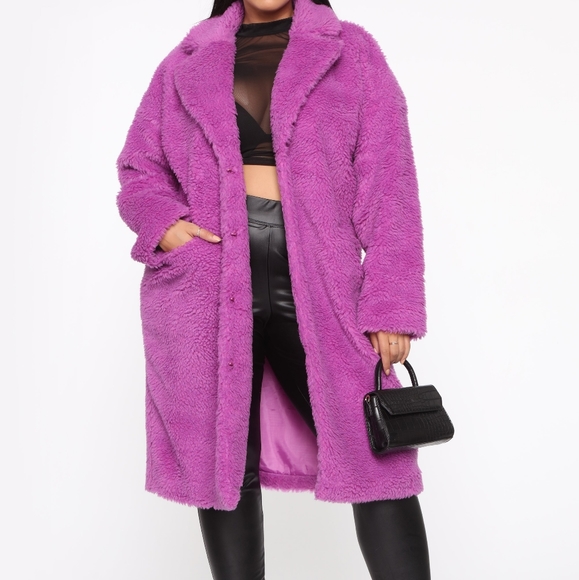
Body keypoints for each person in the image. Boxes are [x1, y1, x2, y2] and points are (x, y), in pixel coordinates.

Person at [116, 0, 431, 578]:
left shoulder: (351, 51)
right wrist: (166, 227)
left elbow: (390, 183)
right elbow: (139, 170)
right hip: (208, 275)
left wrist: (391, 303)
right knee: (224, 457)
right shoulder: (186, 60)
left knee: (373, 451)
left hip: (319, 275)